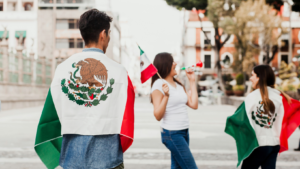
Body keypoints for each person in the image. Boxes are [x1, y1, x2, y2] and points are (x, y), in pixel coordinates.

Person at [34, 9, 135, 169]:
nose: (108, 39)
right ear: (103, 34)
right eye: (109, 34)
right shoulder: (120, 72)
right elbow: (126, 119)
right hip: (108, 159)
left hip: (72, 159)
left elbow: (51, 117)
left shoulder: (62, 69)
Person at [150, 53, 199, 169]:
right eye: (172, 62)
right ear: (165, 65)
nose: (175, 64)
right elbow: (157, 115)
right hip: (172, 133)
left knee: (177, 167)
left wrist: (192, 81)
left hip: (184, 131)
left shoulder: (178, 84)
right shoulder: (158, 85)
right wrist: (166, 96)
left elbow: (194, 104)